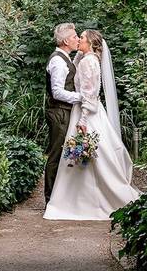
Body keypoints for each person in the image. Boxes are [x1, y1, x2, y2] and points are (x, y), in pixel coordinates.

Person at [43, 29, 140, 220]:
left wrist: (83, 118)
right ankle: (78, 198)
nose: (78, 39)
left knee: (92, 153)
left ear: (90, 43)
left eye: (81, 37)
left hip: (86, 112)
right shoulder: (85, 59)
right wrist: (81, 53)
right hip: (82, 109)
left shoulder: (89, 62)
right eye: (76, 37)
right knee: (85, 153)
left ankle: (86, 199)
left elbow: (90, 93)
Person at [44, 22, 82, 205]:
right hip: (58, 112)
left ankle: (60, 196)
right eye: (75, 36)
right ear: (66, 41)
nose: (78, 39)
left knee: (63, 153)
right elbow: (57, 92)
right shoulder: (58, 61)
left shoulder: (65, 58)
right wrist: (81, 97)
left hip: (64, 111)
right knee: (56, 154)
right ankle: (50, 199)